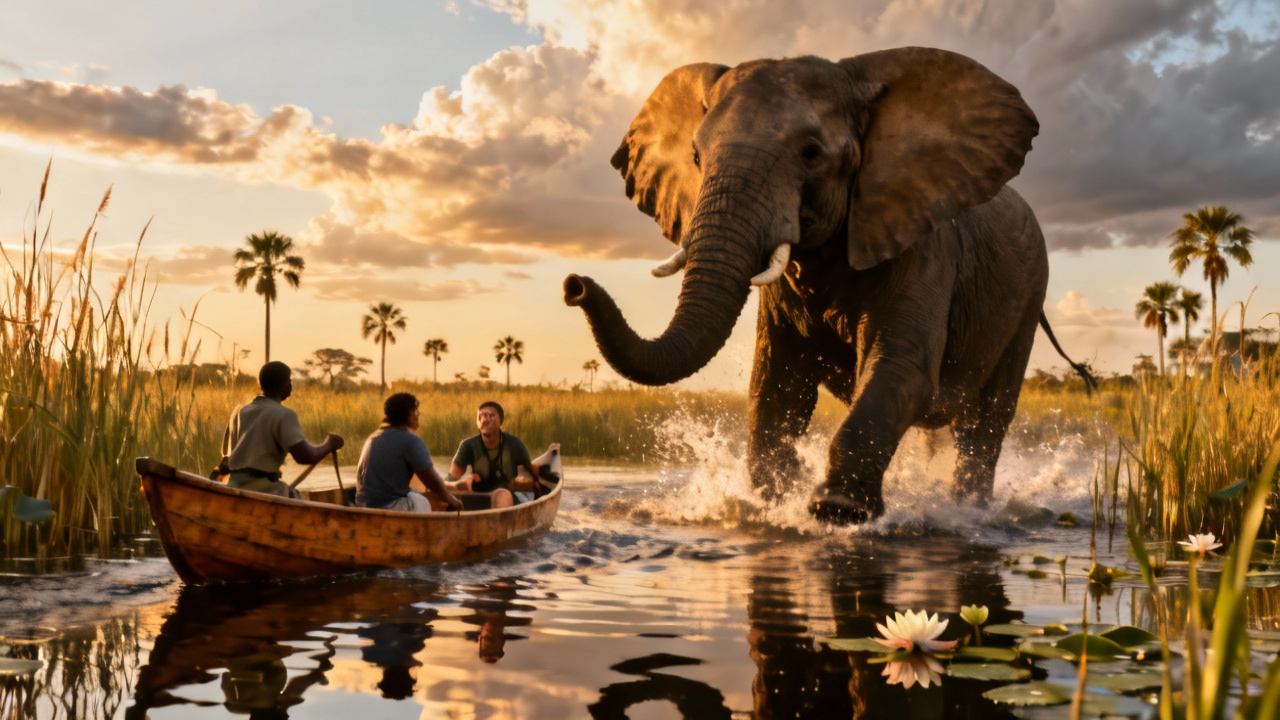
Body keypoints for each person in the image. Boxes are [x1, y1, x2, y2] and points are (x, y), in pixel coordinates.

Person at [219, 361, 343, 498]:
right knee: (296, 497)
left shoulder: (240, 412)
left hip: (233, 486)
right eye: (289, 380)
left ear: (261, 384)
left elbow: (227, 458)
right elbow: (305, 456)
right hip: (265, 490)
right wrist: (329, 444)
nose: (290, 384)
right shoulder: (285, 415)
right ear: (285, 385)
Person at [355, 393, 463, 512]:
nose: (418, 415)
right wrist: (453, 501)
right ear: (411, 414)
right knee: (423, 502)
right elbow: (432, 482)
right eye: (416, 411)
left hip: (362, 506)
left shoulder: (373, 438)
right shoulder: (411, 441)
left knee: (414, 493)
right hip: (388, 507)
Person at [448, 401, 555, 508]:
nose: (484, 420)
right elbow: (452, 477)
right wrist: (461, 484)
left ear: (500, 422)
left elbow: (534, 473)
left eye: (490, 416)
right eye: (480, 416)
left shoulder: (515, 444)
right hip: (477, 497)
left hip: (505, 497)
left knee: (502, 494)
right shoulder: (468, 445)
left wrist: (540, 495)